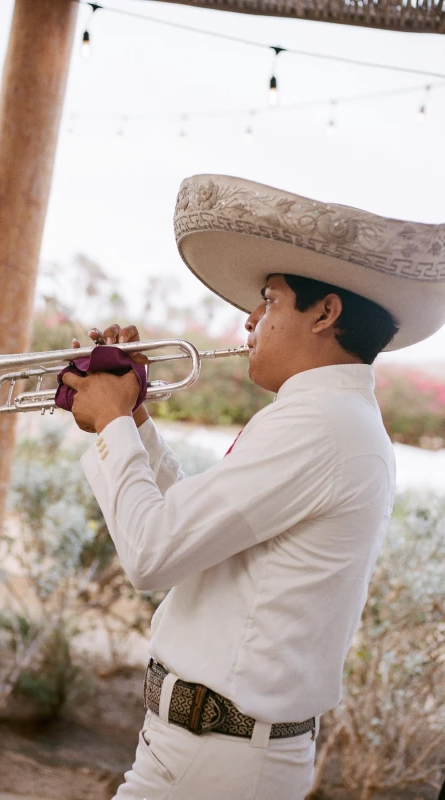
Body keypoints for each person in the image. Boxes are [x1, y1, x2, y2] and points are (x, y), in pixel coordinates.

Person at [62, 175, 445, 800]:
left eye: (269, 299)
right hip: (205, 751)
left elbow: (152, 552)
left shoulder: (320, 426)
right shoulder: (320, 417)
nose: (249, 320)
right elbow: (191, 530)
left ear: (326, 313)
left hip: (221, 761)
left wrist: (108, 421)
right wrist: (132, 420)